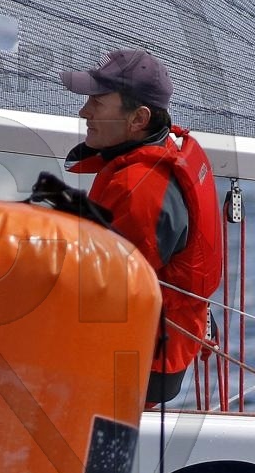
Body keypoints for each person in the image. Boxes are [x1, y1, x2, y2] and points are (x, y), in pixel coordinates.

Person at [61, 49, 223, 405]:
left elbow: (105, 297)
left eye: (97, 102)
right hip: (166, 343)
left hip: (140, 363)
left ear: (138, 119)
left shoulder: (137, 190)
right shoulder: (165, 148)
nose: (84, 112)